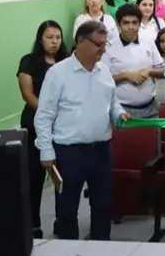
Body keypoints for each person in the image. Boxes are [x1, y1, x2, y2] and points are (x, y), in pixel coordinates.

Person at [34, 20, 130, 241]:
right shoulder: (58, 73)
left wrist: (119, 114)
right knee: (67, 209)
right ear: (80, 42)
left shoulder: (104, 71)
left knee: (103, 205)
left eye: (105, 44)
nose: (103, 49)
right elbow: (44, 115)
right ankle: (69, 254)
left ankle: (100, 248)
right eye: (98, 44)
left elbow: (113, 103)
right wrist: (46, 151)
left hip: (101, 150)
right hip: (69, 152)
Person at [17, 20, 69, 238]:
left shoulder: (67, 61)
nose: (54, 42)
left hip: (64, 126)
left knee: (63, 174)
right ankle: (33, 225)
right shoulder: (29, 62)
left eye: (58, 37)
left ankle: (63, 219)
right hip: (35, 123)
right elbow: (28, 94)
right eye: (49, 37)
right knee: (34, 176)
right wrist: (48, 113)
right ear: (41, 39)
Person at [104, 4, 165, 118]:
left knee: (153, 136)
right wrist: (126, 76)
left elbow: (164, 71)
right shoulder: (109, 48)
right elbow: (103, 81)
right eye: (126, 23)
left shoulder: (148, 42)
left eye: (134, 22)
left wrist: (149, 71)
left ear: (139, 23)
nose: (131, 27)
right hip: (123, 111)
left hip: (151, 107)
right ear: (118, 24)